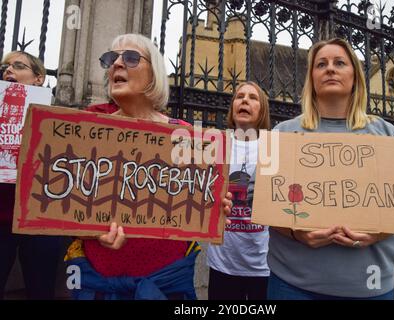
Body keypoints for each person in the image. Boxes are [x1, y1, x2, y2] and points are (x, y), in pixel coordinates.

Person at [248, 38, 394, 300]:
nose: (330, 69)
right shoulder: (284, 133)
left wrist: (377, 233)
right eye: (321, 64)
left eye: (339, 63)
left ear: (355, 76)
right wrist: (296, 233)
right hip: (292, 286)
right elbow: (258, 198)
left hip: (370, 288)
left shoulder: (386, 133)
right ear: (312, 78)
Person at [64, 33, 232, 300]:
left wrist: (213, 206)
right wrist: (90, 229)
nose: (117, 64)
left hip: (167, 284)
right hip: (98, 282)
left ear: (154, 74)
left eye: (130, 57)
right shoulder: (86, 127)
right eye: (111, 58)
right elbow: (60, 203)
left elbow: (197, 203)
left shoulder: (184, 135)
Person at [0, 51, 62, 299]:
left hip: (39, 220)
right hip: (2, 215)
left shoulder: (56, 118)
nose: (8, 71)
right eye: (5, 67)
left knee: (41, 290)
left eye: (18, 66)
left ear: (38, 78)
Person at [207, 82, 271, 300]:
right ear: (232, 107)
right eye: (239, 96)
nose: (244, 100)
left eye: (253, 98)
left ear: (262, 110)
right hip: (222, 264)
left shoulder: (274, 148)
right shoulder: (213, 145)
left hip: (263, 265)